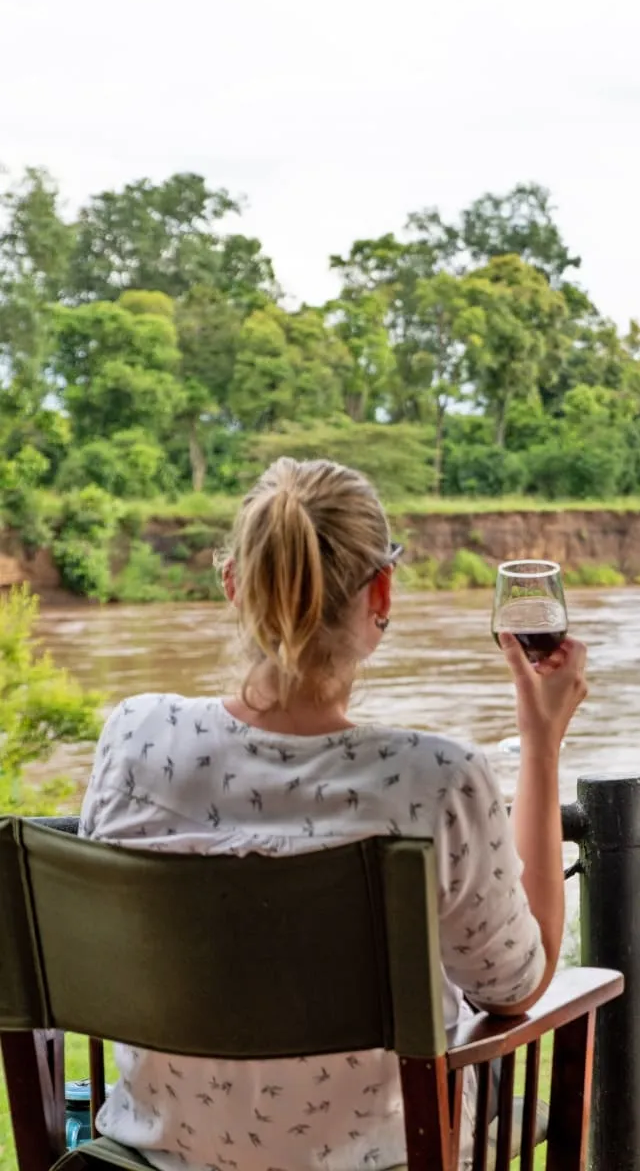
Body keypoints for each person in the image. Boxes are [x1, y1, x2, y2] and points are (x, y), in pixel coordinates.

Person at [78, 457, 588, 1171]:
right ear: (382, 590)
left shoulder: (135, 738)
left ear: (233, 585)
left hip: (153, 1160)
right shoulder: (434, 780)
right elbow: (515, 987)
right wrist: (541, 742)